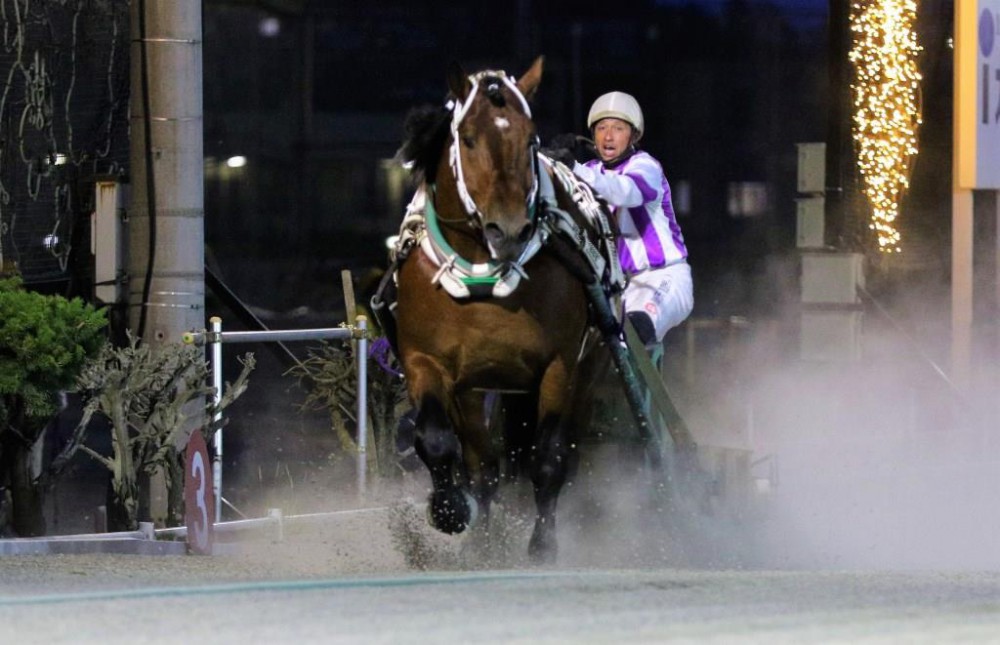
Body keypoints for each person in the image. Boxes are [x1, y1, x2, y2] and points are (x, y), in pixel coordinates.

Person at [544, 91, 693, 348]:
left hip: (662, 278)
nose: (608, 136)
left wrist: (573, 167)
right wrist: (547, 159)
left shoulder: (646, 166)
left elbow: (624, 192)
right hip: (617, 287)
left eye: (618, 128)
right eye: (601, 128)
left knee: (630, 336)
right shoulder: (590, 171)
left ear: (633, 135)